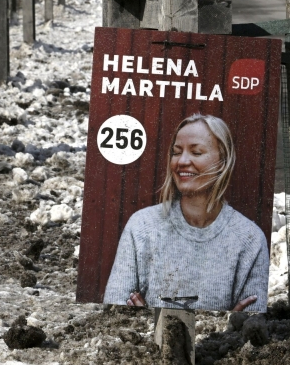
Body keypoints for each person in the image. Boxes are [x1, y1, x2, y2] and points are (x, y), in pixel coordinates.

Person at [103, 114, 270, 312]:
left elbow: (250, 327)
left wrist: (147, 316)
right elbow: (114, 310)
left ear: (223, 161)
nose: (182, 161)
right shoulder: (142, 226)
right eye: (176, 152)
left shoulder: (250, 239)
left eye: (196, 152)